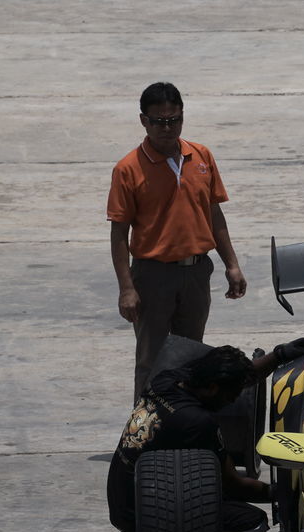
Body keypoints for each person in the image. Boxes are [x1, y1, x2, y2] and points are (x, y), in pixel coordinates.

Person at [107, 337, 304, 532]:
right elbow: (234, 486)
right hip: (142, 513)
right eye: (231, 396)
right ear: (213, 388)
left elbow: (236, 376)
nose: (232, 401)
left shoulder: (167, 380)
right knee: (251, 523)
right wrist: (283, 493)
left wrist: (279, 355)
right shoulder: (196, 423)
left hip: (122, 497)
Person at [108, 81, 250, 399]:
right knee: (151, 360)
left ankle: (185, 428)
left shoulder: (200, 156)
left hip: (197, 273)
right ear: (144, 120)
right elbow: (119, 233)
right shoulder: (128, 169)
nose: (167, 128)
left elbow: (214, 214)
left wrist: (232, 264)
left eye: (174, 120)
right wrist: (127, 288)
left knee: (192, 357)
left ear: (182, 117)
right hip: (152, 276)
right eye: (159, 121)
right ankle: (144, 436)